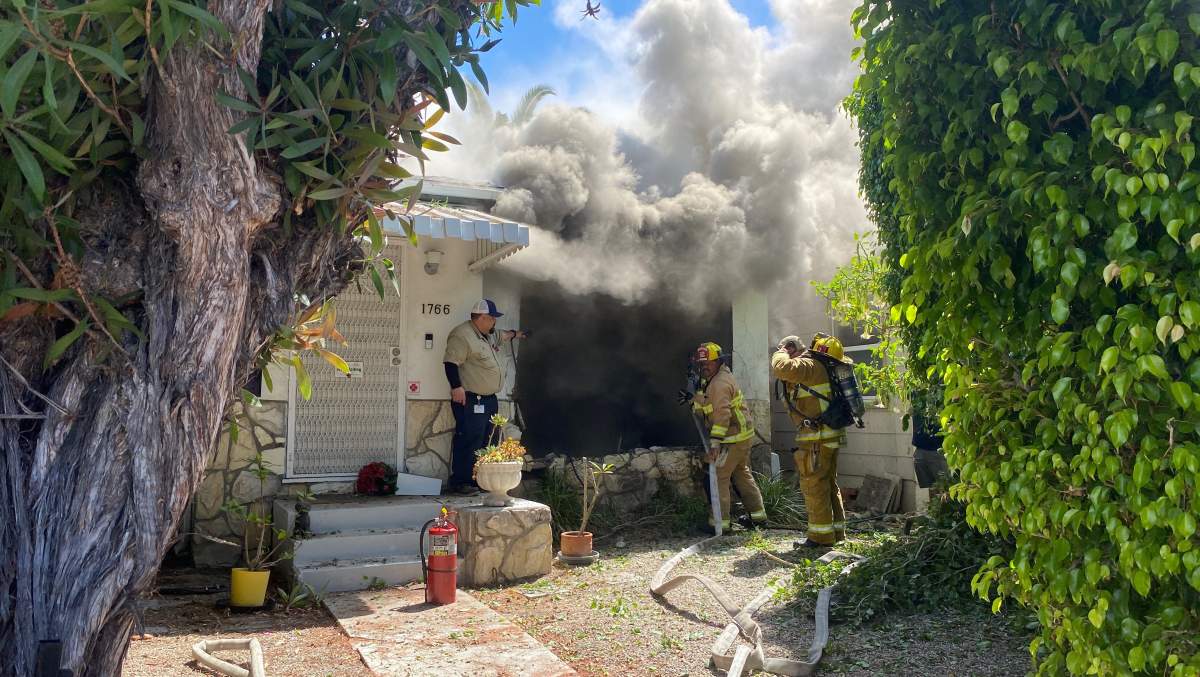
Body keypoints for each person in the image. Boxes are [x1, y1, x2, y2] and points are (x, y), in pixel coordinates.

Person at [771, 334, 847, 547]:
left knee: (814, 486)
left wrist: (781, 351)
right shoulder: (827, 369)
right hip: (830, 435)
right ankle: (837, 533)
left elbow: (780, 369)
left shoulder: (810, 366)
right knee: (829, 484)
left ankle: (820, 538)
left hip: (817, 438)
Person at [443, 299, 525, 494]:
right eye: (492, 319)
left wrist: (516, 334)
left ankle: (480, 481)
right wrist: (456, 387)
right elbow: (450, 363)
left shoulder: (487, 335)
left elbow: (502, 336)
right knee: (469, 438)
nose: (494, 323)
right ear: (482, 318)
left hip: (489, 399)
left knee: (487, 439)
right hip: (471, 399)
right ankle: (461, 482)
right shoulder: (462, 335)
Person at [689, 342, 767, 531]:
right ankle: (758, 518)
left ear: (718, 361)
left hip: (730, 440)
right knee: (741, 474)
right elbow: (709, 402)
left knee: (718, 477)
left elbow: (722, 415)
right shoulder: (718, 377)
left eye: (708, 362)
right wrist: (694, 398)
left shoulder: (719, 383)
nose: (704, 366)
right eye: (701, 363)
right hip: (741, 437)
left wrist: (715, 443)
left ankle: (720, 524)